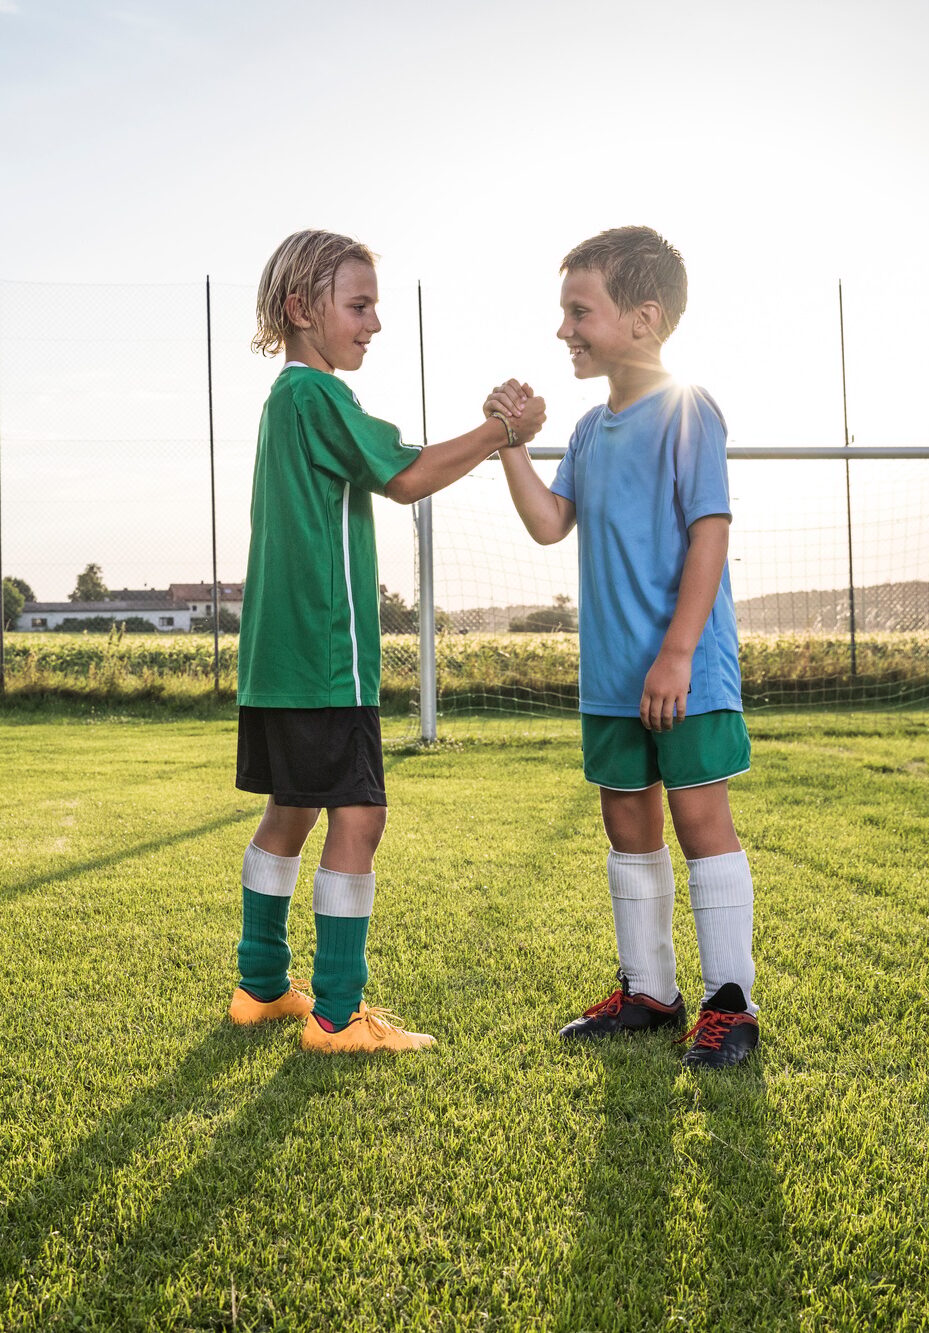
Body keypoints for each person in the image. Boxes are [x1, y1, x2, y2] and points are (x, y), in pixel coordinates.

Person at [228, 229, 545, 1054]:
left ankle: (259, 986)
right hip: (327, 657)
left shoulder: (284, 401)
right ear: (303, 310)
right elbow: (404, 476)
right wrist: (499, 430)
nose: (372, 323)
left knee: (291, 809)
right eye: (358, 305)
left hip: (276, 659)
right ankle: (338, 1015)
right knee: (359, 814)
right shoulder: (317, 396)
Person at [486, 226, 757, 1069]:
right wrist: (508, 441)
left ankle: (729, 1004)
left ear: (642, 318)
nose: (565, 330)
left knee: (699, 818)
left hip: (684, 673)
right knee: (625, 822)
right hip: (610, 678)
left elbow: (708, 533)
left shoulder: (687, 409)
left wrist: (677, 652)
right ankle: (649, 991)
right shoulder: (585, 429)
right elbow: (546, 524)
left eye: (579, 311)